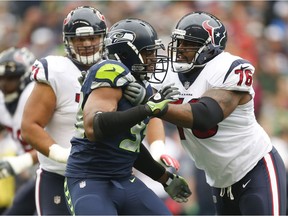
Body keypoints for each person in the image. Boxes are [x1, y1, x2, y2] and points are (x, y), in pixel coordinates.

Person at [21, 6, 189, 215]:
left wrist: (163, 173)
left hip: (120, 175)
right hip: (80, 175)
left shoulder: (134, 80)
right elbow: (94, 126)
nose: (87, 44)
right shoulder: (85, 71)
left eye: (93, 37)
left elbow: (130, 143)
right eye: (79, 39)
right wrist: (63, 155)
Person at [124, 11, 287, 215]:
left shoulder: (228, 67)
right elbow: (150, 113)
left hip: (254, 168)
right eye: (178, 43)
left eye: (188, 45)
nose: (179, 50)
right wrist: (158, 147)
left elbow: (205, 116)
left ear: (209, 49)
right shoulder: (169, 74)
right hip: (218, 179)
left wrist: (155, 104)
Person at [64, 17, 191, 215]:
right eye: (148, 52)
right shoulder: (109, 70)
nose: (154, 58)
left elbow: (128, 146)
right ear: (126, 53)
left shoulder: (142, 86)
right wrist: (146, 109)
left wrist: (165, 178)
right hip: (89, 180)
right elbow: (94, 128)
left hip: (123, 178)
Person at [0, 47, 38, 215]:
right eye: (1, 78)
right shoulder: (4, 101)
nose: (4, 84)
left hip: (61, 170)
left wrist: (23, 161)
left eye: (11, 78)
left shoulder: (35, 95)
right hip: (39, 173)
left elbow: (58, 142)